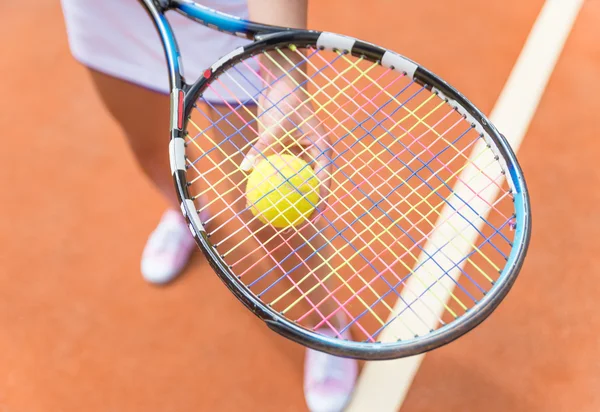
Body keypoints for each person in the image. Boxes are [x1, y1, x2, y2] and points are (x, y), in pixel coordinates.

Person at [60, 1, 357, 411]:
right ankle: (186, 214)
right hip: (104, 14)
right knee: (149, 151)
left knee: (268, 213)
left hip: (218, 16)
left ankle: (326, 324)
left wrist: (283, 76)